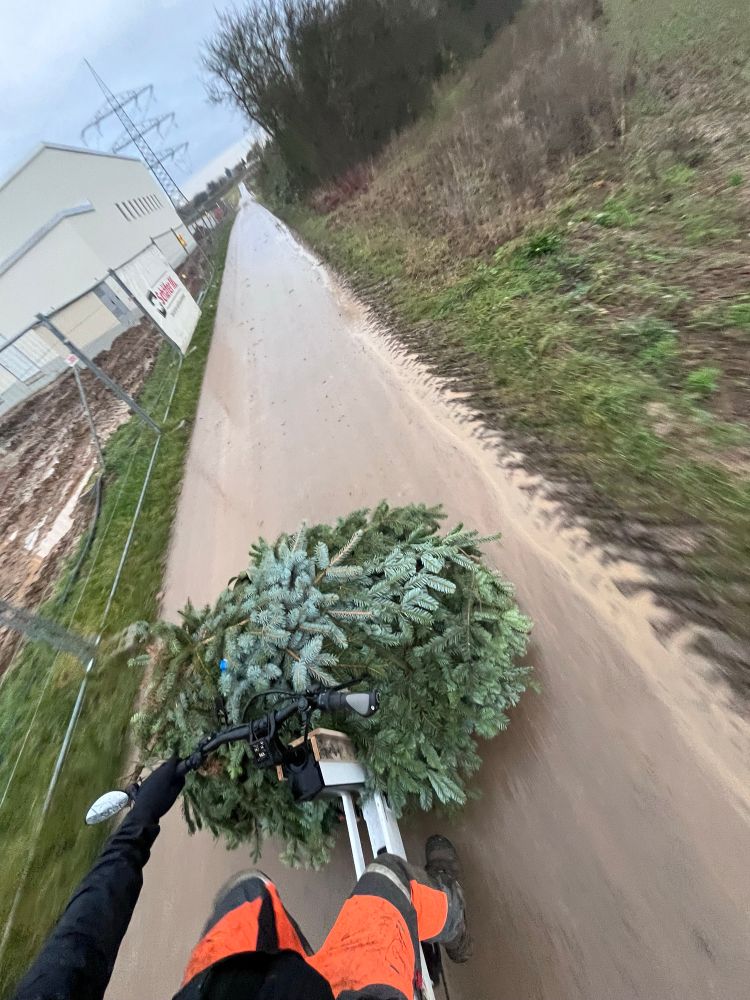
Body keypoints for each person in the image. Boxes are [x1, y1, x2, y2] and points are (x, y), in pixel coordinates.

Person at [13, 759, 472, 1000]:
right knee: (388, 878)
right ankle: (453, 916)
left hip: (220, 990)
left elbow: (76, 949)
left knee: (247, 895)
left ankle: (301, 965)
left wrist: (139, 823)